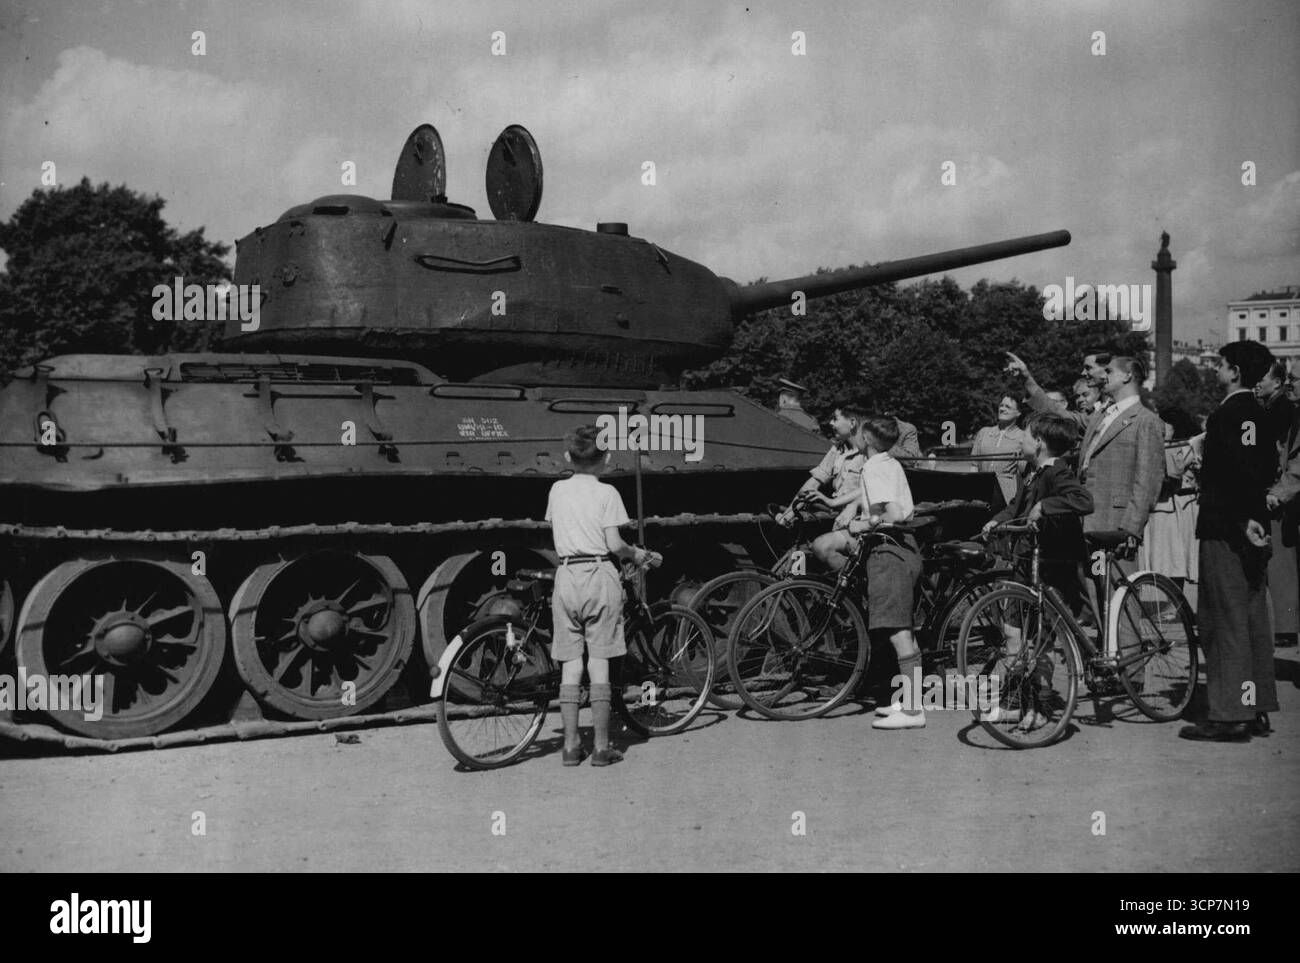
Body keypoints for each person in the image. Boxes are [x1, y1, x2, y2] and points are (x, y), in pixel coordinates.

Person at [1180, 341, 1278, 742]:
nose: (1217, 370)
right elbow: (1257, 469)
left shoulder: (1227, 413)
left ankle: (1230, 715)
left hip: (1225, 526)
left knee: (1222, 620)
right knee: (1252, 617)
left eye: (1221, 364)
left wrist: (1238, 517)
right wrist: (1254, 517)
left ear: (1234, 371)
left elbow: (1233, 472)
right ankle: (1253, 704)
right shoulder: (1257, 412)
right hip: (1252, 524)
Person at [545, 426, 660, 766]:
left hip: (566, 576)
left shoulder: (556, 490)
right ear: (607, 459)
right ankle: (600, 747)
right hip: (598, 575)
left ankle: (569, 747)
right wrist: (638, 555)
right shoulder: (607, 493)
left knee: (570, 665)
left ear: (568, 458)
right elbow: (614, 545)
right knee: (599, 663)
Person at [980, 413, 1094, 729]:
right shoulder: (1032, 472)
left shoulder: (1058, 472)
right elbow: (1016, 504)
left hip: (1051, 568)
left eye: (1026, 437)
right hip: (1025, 564)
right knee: (1013, 633)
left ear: (1040, 443)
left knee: (1041, 639)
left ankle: (1041, 706)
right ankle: (1016, 701)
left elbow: (1084, 501)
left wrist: (1046, 506)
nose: (1021, 442)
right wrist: (998, 519)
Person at [840, 416, 925, 730]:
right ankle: (907, 702)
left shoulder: (874, 467)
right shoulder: (891, 463)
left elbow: (894, 514)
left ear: (866, 437)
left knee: (899, 632)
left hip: (889, 550)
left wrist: (862, 524)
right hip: (902, 549)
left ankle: (914, 711)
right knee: (900, 630)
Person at [1077, 356, 1165, 569]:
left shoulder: (1146, 420)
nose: (1103, 376)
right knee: (1089, 595)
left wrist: (1132, 528)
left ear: (1127, 376)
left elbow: (1148, 480)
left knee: (1117, 594)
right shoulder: (1100, 417)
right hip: (1086, 518)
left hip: (1114, 523)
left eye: (1109, 372)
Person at [778, 404, 867, 569]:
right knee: (805, 550)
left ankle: (855, 589)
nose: (831, 423)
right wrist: (789, 513)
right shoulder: (838, 449)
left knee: (823, 549)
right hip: (841, 525)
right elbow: (814, 481)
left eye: (835, 418)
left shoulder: (869, 452)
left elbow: (873, 488)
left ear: (852, 422)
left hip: (862, 527)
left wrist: (848, 504)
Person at [1256, 361, 1298, 646]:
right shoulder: (1282, 410)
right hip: (1282, 496)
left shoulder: (1283, 410)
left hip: (1283, 499)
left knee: (1282, 568)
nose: (1293, 383)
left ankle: (1285, 627)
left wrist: (1279, 492)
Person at [1004, 351, 1087, 439]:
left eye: (1086, 394)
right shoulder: (1083, 420)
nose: (1080, 400)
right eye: (1077, 397)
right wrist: (1026, 378)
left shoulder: (1092, 420)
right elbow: (1049, 407)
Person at [970, 395, 1028, 506]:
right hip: (980, 491)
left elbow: (1023, 472)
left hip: (1005, 495)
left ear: (1018, 413)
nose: (1002, 409)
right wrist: (972, 488)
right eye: (1001, 405)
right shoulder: (984, 432)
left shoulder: (1024, 437)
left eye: (1008, 407)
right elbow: (974, 465)